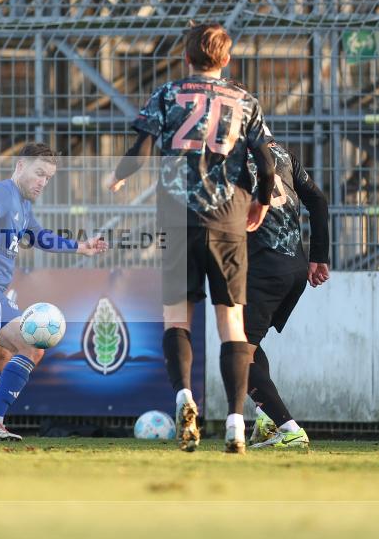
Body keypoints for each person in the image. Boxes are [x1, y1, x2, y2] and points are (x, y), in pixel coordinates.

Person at [105, 23, 275, 454]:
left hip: (177, 216)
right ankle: (236, 423)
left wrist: (119, 176)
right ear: (226, 59)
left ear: (186, 58)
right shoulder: (245, 102)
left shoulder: (166, 95)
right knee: (231, 321)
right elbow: (266, 161)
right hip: (228, 218)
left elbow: (142, 149)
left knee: (175, 317)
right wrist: (262, 201)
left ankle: (184, 398)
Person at [0, 143, 107, 441]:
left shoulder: (23, 205)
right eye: (39, 173)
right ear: (20, 166)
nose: (43, 182)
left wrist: (81, 248)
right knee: (33, 346)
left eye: (48, 177)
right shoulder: (2, 192)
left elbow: (41, 237)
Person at [243, 141, 330, 448]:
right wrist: (319, 256)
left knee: (237, 352)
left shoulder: (226, 154)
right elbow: (318, 201)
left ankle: (289, 429)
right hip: (294, 267)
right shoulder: (280, 152)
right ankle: (266, 419)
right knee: (249, 344)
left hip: (264, 268)